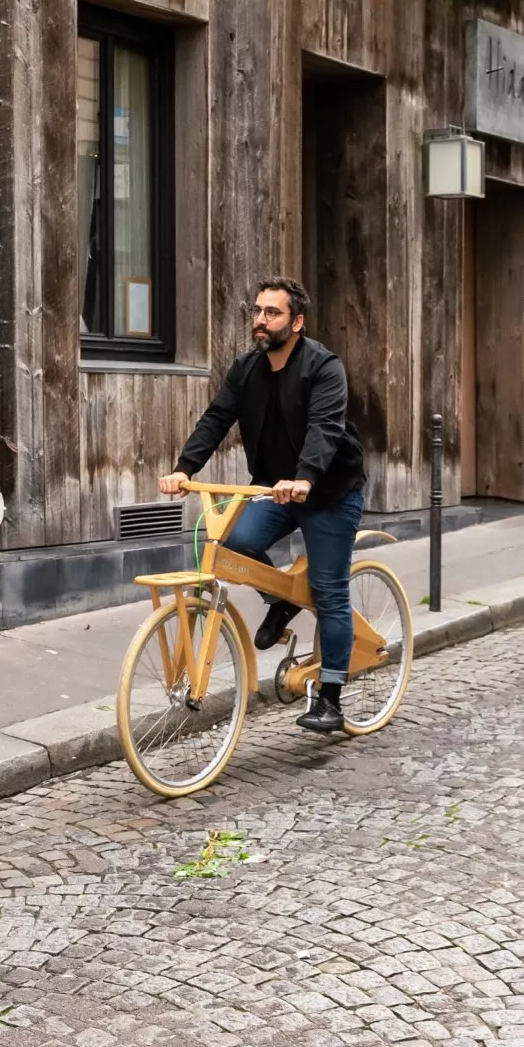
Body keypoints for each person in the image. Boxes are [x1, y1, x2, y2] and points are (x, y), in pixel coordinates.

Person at [159, 276, 367, 733]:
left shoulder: (323, 367)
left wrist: (306, 478)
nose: (260, 320)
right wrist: (184, 469)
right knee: (235, 542)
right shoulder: (246, 369)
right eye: (257, 311)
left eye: (271, 313)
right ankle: (281, 601)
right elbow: (216, 418)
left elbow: (325, 429)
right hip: (273, 487)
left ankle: (330, 699)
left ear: (296, 322)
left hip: (329, 490)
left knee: (330, 591)